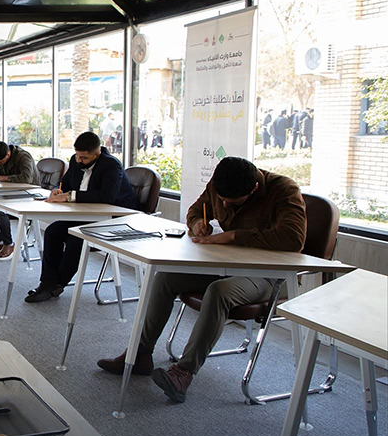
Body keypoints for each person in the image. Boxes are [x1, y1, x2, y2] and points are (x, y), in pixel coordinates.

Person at [96, 157, 307, 403]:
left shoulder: (284, 190)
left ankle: (183, 372)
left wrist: (232, 236)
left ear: (254, 189)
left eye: (233, 202)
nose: (224, 205)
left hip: (267, 274)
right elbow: (195, 211)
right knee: (166, 277)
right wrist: (197, 224)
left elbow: (293, 239)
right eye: (222, 199)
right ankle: (140, 354)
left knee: (219, 291)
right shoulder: (219, 183)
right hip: (225, 264)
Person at [25, 132, 138, 303]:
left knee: (76, 239)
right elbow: (64, 182)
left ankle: (57, 283)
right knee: (52, 231)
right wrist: (57, 190)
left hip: (114, 219)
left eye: (84, 158)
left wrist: (70, 196)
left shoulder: (111, 165)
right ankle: (47, 283)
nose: (79, 160)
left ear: (97, 154)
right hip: (86, 215)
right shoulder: (75, 161)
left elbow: (107, 196)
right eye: (77, 155)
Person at [0, 140, 39, 261]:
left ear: (8, 154)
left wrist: (2, 178)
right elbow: (2, 174)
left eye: (0, 162)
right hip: (12, 193)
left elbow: (27, 178)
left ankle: (9, 244)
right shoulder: (3, 157)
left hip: (29, 196)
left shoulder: (23, 157)